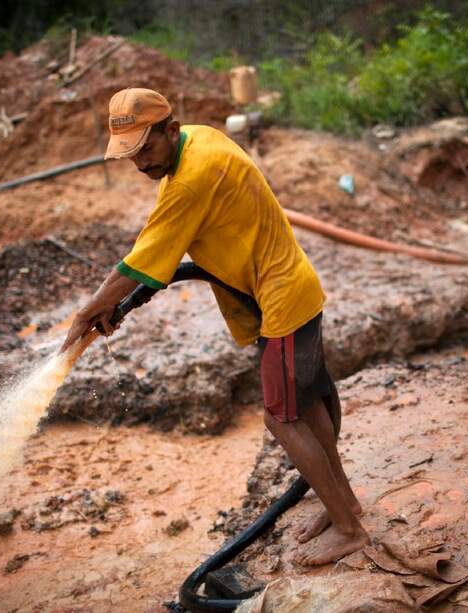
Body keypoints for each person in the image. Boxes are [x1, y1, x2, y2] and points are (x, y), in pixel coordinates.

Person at [60, 88, 368, 566]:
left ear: (170, 129)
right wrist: (123, 299)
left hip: (282, 299)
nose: (140, 164)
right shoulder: (200, 141)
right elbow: (162, 244)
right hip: (286, 292)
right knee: (304, 407)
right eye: (130, 155)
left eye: (146, 149)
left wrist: (90, 310)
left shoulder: (190, 178)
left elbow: (147, 253)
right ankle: (343, 504)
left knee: (280, 417)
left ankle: (349, 528)